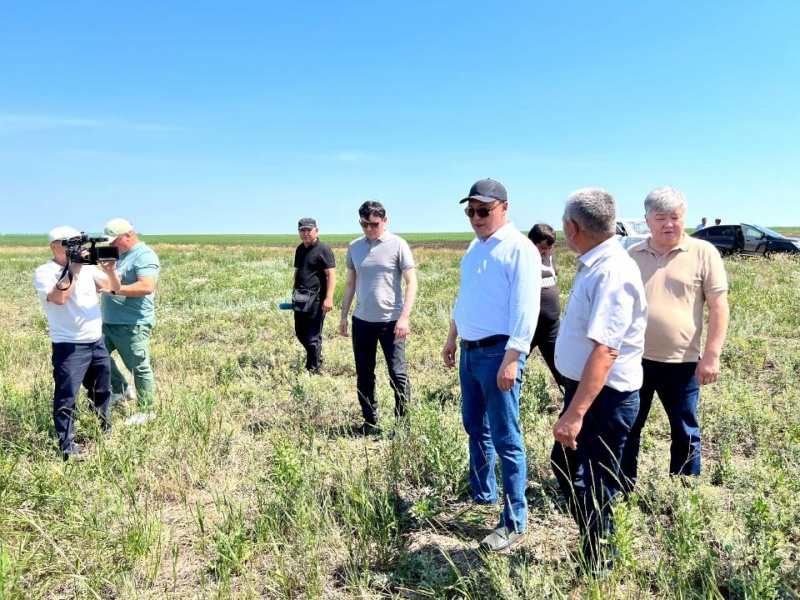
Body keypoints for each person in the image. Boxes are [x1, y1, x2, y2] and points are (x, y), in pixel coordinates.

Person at [551, 188, 647, 572]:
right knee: (566, 466)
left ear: (572, 227)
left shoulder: (612, 271)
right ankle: (596, 542)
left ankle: (600, 561)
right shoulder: (596, 263)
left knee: (595, 483)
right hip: (588, 393)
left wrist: (575, 414)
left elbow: (605, 351)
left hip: (604, 399)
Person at [442, 179, 540, 551]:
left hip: (499, 354)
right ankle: (482, 494)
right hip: (470, 352)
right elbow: (465, 296)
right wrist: (453, 338)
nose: (476, 218)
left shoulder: (519, 249)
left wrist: (512, 359)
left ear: (504, 208)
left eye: (483, 210)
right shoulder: (475, 247)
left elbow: (526, 310)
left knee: (505, 436)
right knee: (475, 427)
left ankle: (515, 521)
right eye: (471, 211)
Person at [622, 187, 729, 486]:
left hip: (682, 362)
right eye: (661, 218)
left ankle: (683, 491)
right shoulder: (632, 255)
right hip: (635, 360)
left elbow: (719, 307)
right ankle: (623, 487)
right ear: (647, 220)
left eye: (676, 217)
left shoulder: (703, 253)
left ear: (685, 217)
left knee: (685, 430)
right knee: (629, 426)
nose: (669, 224)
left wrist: (712, 356)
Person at [33, 226, 120, 460]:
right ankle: (67, 446)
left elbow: (114, 287)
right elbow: (60, 298)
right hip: (69, 346)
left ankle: (104, 429)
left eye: (78, 243)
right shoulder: (45, 272)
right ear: (54, 246)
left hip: (96, 341)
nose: (77, 248)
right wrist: (74, 268)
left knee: (101, 391)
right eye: (69, 243)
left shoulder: (89, 269)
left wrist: (110, 270)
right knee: (67, 397)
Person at [339, 201, 417, 434]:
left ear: (384, 220)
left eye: (374, 224)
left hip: (392, 322)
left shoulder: (398, 244)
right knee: (364, 374)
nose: (369, 230)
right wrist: (344, 315)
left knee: (397, 375)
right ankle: (370, 422)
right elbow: (350, 283)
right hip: (362, 321)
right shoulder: (354, 247)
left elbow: (412, 282)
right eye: (364, 225)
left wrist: (405, 317)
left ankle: (403, 426)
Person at [100, 218, 161, 426]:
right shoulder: (120, 255)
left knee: (138, 367)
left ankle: (147, 410)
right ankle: (120, 388)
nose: (111, 245)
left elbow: (146, 286)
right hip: (108, 322)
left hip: (132, 323)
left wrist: (114, 290)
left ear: (129, 234)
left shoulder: (144, 255)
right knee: (95, 356)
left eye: (114, 241)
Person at [292, 217, 336, 374]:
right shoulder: (300, 249)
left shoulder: (323, 250)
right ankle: (316, 357)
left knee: (313, 336)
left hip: (317, 300)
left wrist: (329, 298)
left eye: (308, 230)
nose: (305, 233)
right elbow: (297, 272)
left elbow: (331, 275)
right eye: (302, 230)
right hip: (300, 298)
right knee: (300, 332)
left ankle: (313, 368)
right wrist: (293, 292)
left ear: (316, 230)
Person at [527, 223, 566, 391]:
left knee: (562, 366)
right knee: (514, 364)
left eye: (550, 248)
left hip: (551, 327)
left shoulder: (549, 258)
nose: (546, 252)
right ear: (530, 243)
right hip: (530, 327)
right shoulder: (524, 260)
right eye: (542, 248)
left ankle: (569, 401)